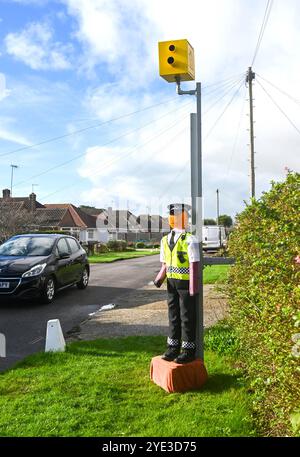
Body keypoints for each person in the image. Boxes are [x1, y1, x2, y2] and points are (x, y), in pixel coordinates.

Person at [154, 203, 200, 364]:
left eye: (178, 215)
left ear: (185, 218)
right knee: (173, 315)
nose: (174, 218)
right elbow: (165, 264)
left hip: (186, 284)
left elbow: (194, 265)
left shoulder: (190, 240)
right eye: (172, 215)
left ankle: (188, 349)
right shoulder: (164, 240)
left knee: (186, 316)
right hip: (171, 284)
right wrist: (160, 278)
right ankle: (173, 347)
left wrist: (194, 287)